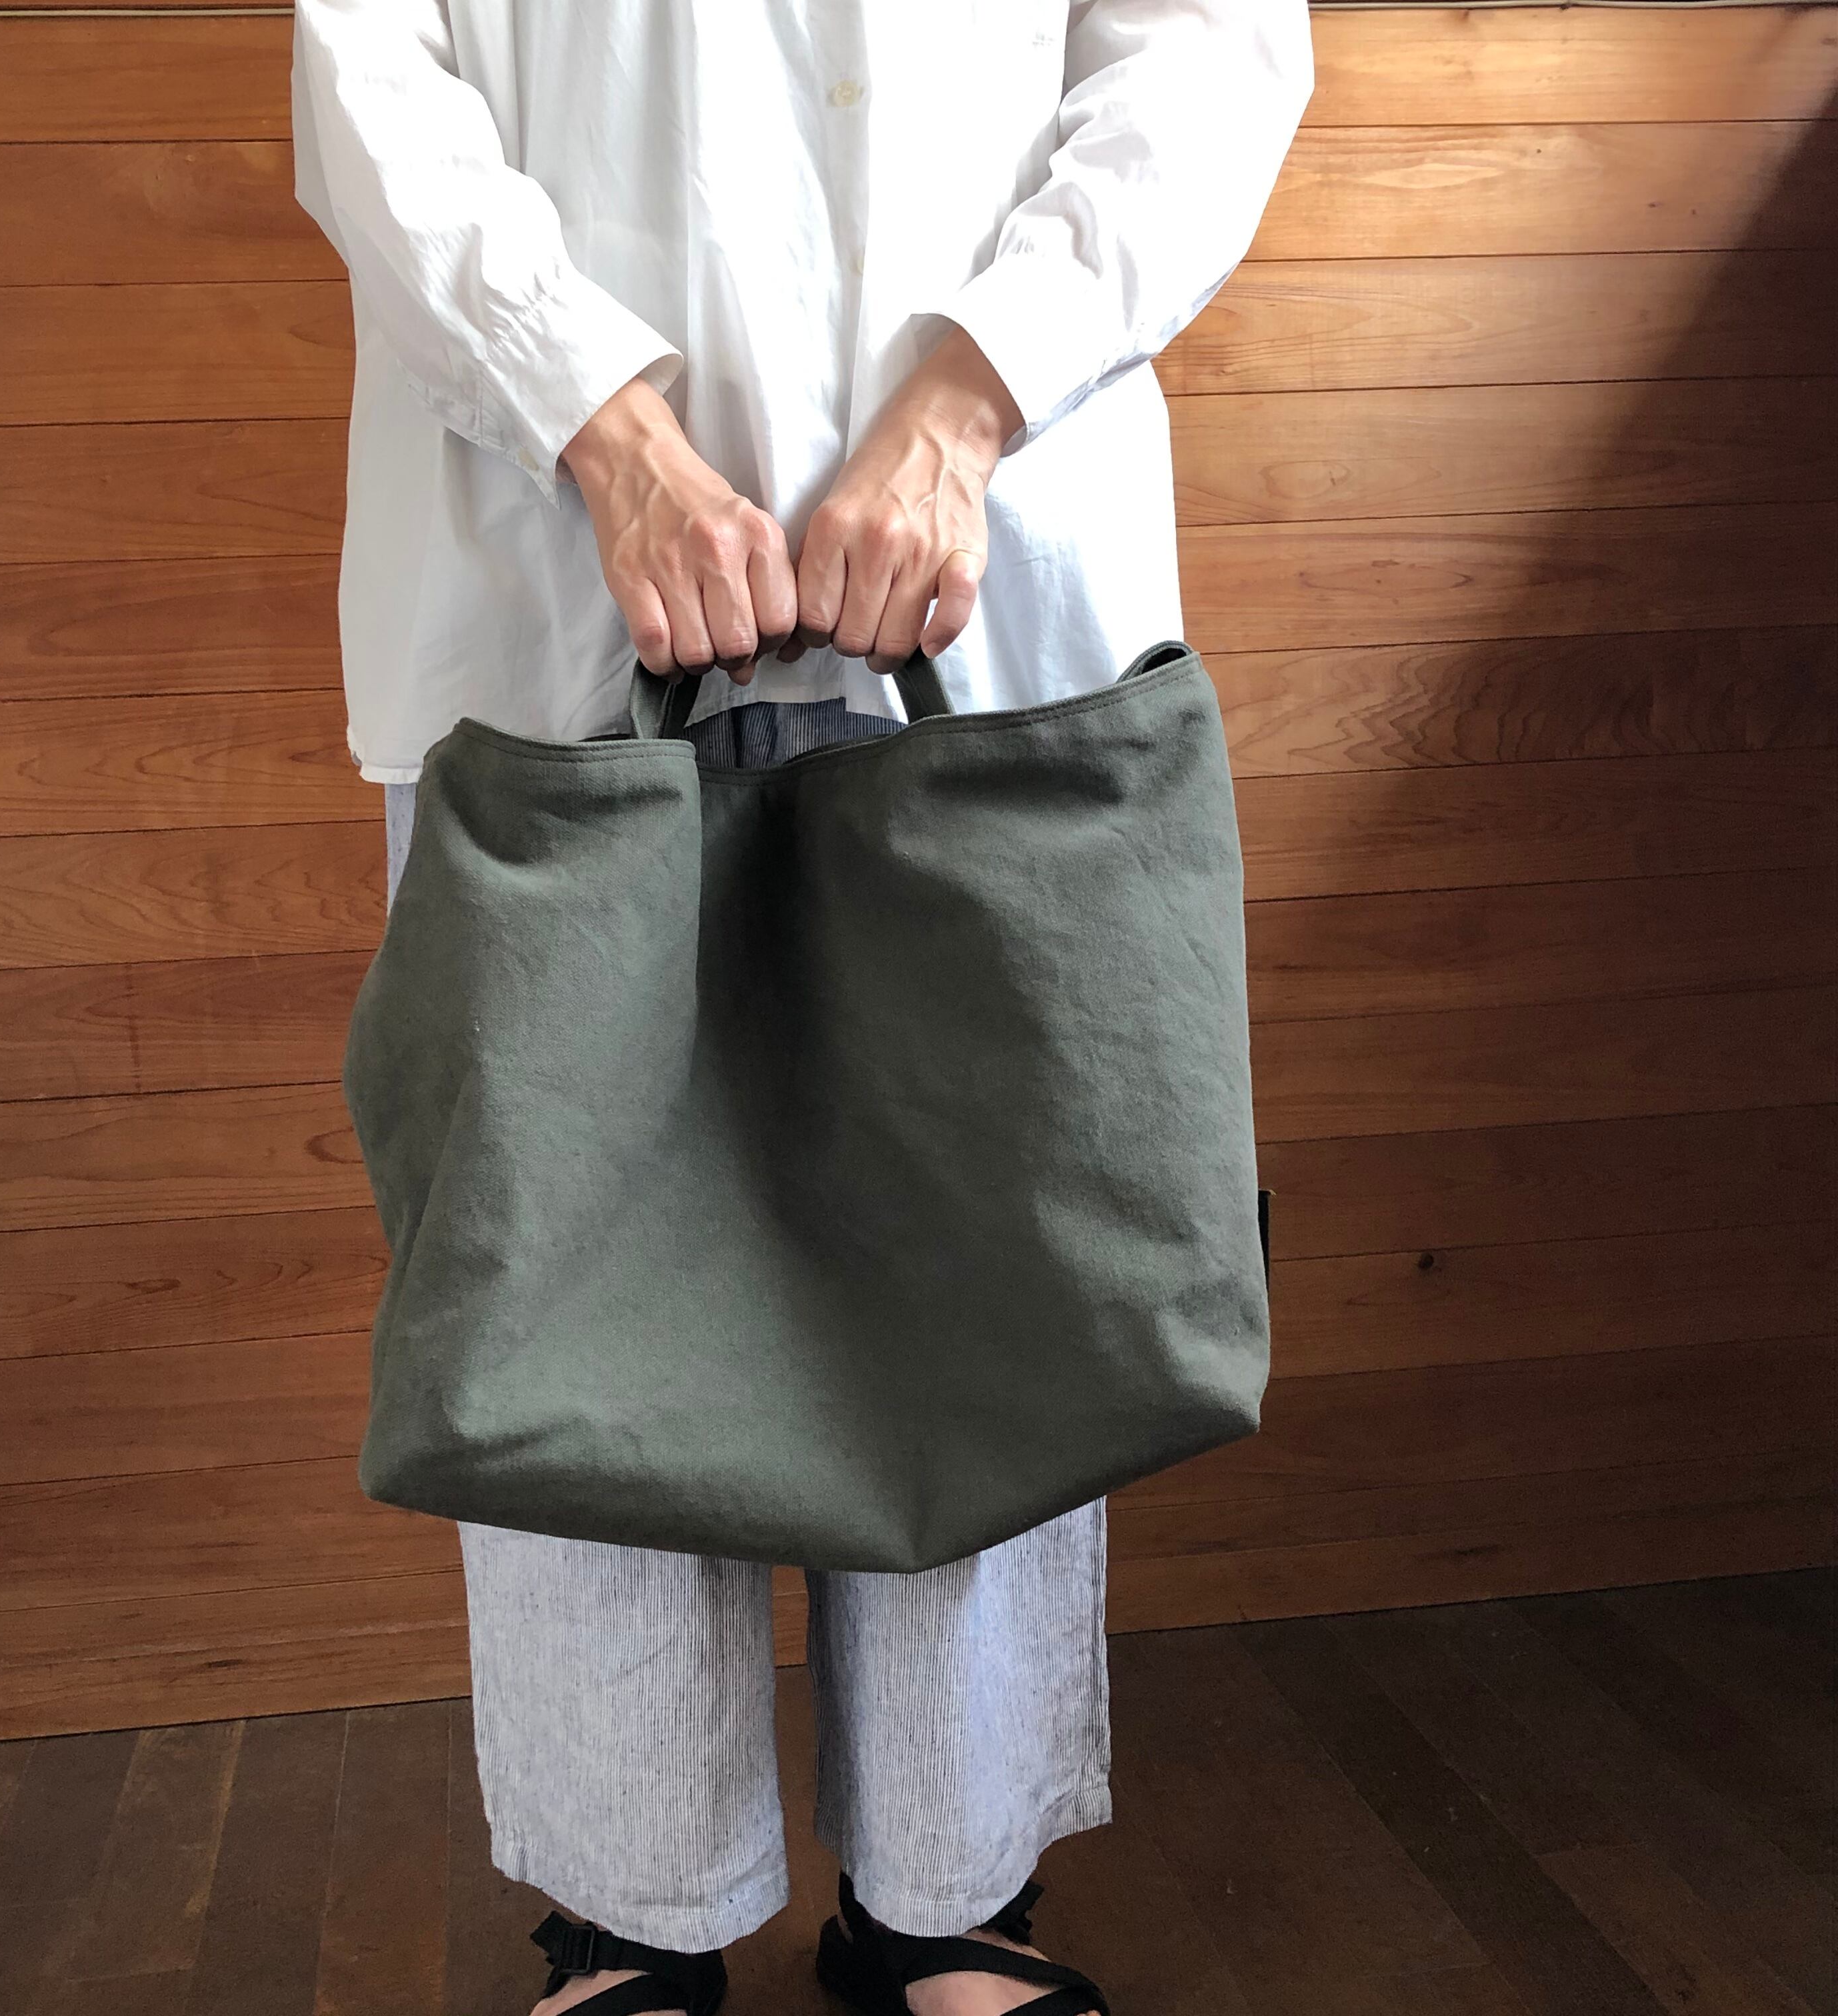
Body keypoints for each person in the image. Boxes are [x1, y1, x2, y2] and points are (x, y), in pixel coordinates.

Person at [292, 5, 1311, 2010]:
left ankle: (953, 1889)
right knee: (569, 1274)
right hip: (553, 568)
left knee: (989, 1267)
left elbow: (1206, 53)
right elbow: (368, 73)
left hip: (983, 562)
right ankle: (626, 1913)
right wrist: (595, 419)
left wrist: (970, 398)